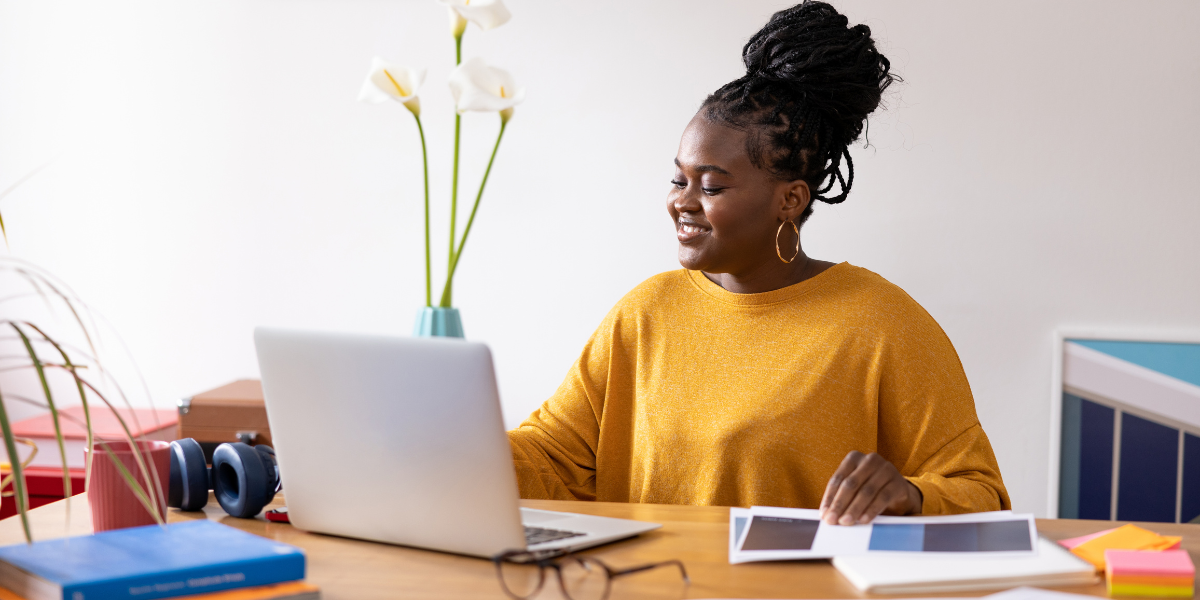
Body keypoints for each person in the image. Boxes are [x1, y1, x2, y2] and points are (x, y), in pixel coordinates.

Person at [508, 1, 1010, 526]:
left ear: (790, 200)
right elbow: (553, 458)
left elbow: (981, 494)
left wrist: (911, 495)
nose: (683, 200)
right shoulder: (645, 313)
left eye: (712, 185)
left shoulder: (882, 325)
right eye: (680, 179)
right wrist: (443, 445)